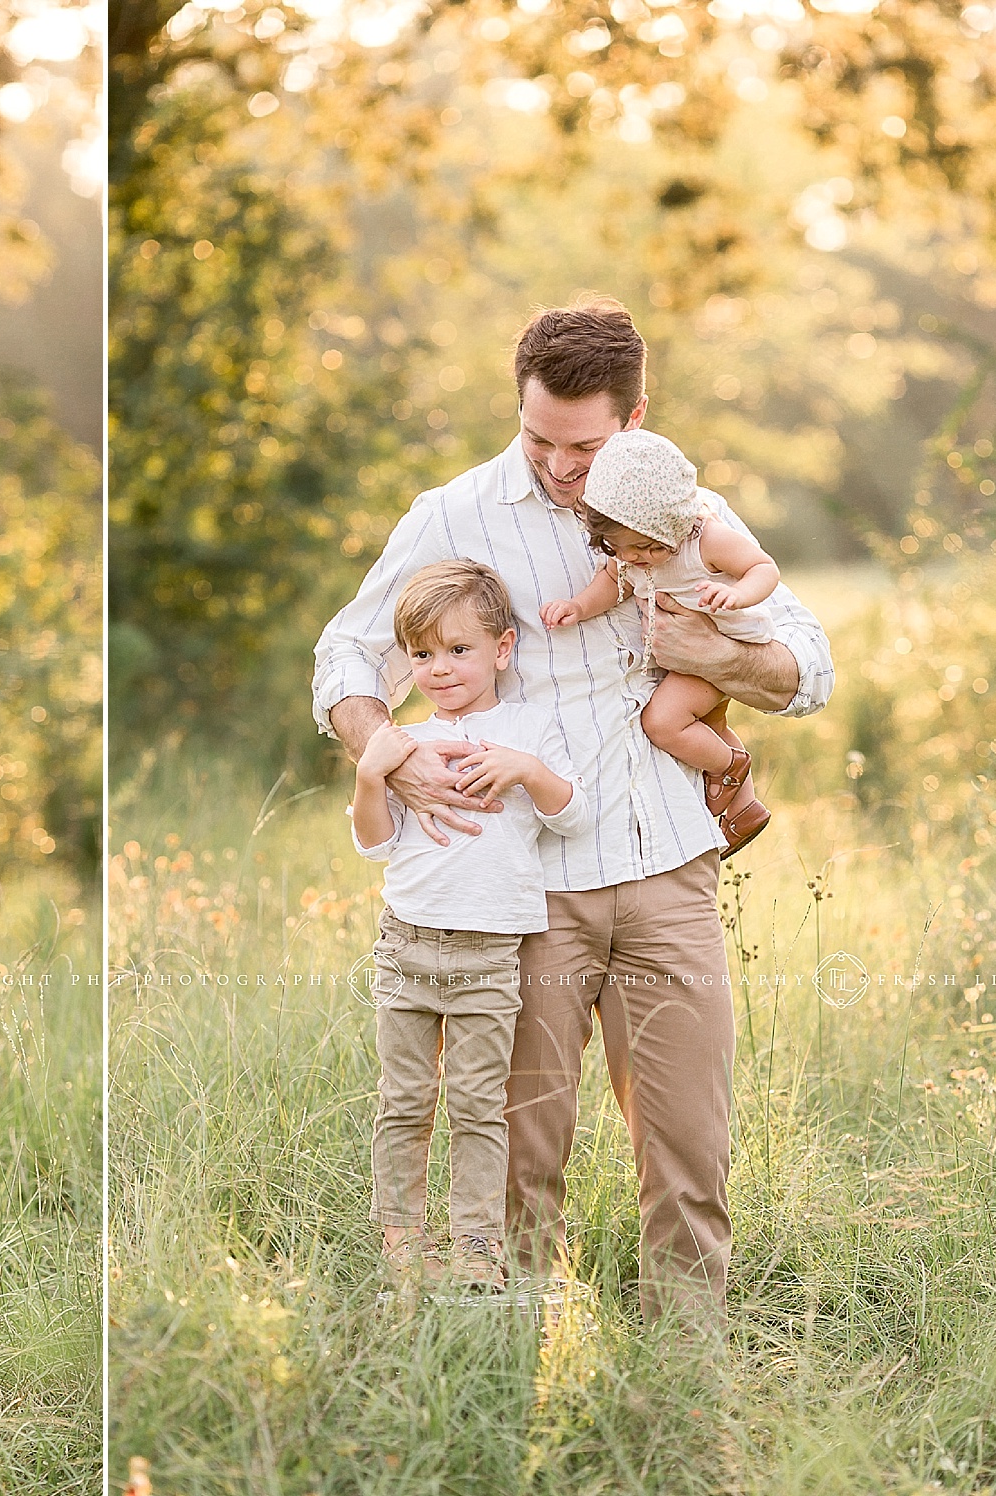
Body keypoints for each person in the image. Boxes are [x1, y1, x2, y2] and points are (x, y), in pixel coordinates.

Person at [313, 296, 834, 1333]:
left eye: (583, 444)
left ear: (636, 415)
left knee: (686, 1145)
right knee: (516, 1149)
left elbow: (805, 669)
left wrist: (712, 656)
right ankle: (498, 1370)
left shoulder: (682, 508)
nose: (557, 465)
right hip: (518, 891)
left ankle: (684, 1385)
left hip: (666, 870)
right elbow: (344, 655)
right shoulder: (452, 512)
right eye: (537, 436)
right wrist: (393, 756)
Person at [351, 561, 588, 1294]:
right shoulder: (402, 740)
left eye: (460, 650)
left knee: (480, 1103)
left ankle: (478, 1246)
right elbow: (373, 841)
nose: (441, 669)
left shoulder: (529, 727)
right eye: (423, 654)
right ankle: (401, 1239)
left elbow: (571, 813)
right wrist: (371, 773)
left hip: (490, 953)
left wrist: (526, 770)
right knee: (405, 1099)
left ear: (503, 649)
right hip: (408, 944)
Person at [541, 428, 779, 855]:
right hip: (683, 660)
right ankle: (745, 811)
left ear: (673, 526)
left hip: (719, 646)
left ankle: (729, 767)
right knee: (711, 725)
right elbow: (613, 582)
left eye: (648, 548)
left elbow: (763, 568)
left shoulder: (705, 540)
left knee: (663, 722)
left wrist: (737, 594)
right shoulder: (628, 553)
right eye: (622, 548)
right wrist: (578, 607)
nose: (635, 558)